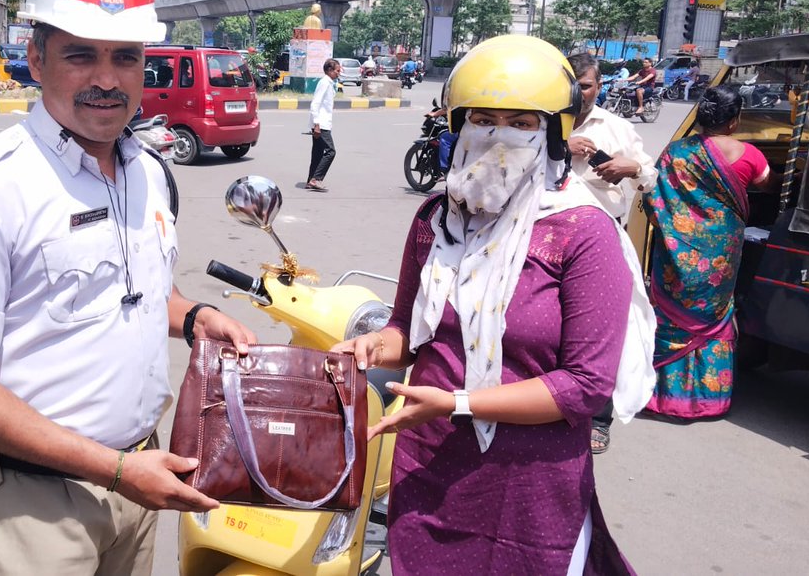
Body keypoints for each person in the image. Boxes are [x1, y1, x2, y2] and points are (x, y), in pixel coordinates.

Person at [0, 0, 257, 576]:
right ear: (36, 60)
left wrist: (194, 316)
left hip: (140, 485)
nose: (106, 79)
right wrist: (117, 470)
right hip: (32, 508)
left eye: (125, 57)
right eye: (81, 55)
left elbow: (129, 291)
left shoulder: (147, 171)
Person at [332, 35, 653, 574]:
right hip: (427, 461)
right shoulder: (435, 220)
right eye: (483, 118)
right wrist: (370, 347)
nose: (498, 135)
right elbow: (406, 333)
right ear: (459, 127)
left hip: (529, 485)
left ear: (553, 133)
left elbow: (584, 385)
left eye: (522, 122)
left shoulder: (582, 232)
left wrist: (458, 403)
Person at [643, 84, 776, 419]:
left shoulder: (676, 152)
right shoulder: (749, 155)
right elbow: (766, 184)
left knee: (673, 315)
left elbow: (654, 196)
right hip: (722, 254)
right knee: (714, 318)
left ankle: (663, 397)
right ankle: (709, 399)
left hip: (679, 252)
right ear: (734, 120)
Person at [566, 52, 658, 453]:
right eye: (571, 85)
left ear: (598, 85)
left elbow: (650, 177)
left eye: (584, 86)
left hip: (603, 242)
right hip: (545, 239)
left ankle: (598, 417)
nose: (578, 93)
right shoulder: (542, 121)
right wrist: (559, 144)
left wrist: (630, 168)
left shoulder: (617, 127)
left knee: (601, 330)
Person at [306, 58, 341, 191]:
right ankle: (316, 179)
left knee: (318, 153)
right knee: (331, 152)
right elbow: (315, 103)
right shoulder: (324, 83)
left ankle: (310, 180)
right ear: (329, 70)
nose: (339, 73)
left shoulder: (330, 83)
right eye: (337, 71)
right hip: (321, 124)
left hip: (322, 123)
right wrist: (316, 124)